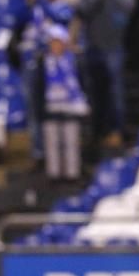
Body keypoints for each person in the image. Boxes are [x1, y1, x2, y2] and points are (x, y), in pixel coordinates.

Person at [7, 0, 73, 168]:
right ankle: (39, 152)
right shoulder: (31, 9)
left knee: (53, 110)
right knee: (33, 109)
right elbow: (17, 21)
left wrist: (41, 1)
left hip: (56, 66)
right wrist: (30, 2)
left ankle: (58, 155)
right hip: (32, 62)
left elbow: (61, 19)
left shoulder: (61, 7)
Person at [76, 0, 136, 148]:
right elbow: (82, 10)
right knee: (94, 93)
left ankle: (116, 130)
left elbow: (129, 6)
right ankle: (96, 131)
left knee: (115, 92)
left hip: (113, 48)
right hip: (92, 48)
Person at [42, 25, 88, 181]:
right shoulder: (42, 63)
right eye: (53, 42)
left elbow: (82, 83)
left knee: (71, 142)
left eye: (59, 41)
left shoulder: (74, 62)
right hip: (50, 109)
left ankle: (72, 174)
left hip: (71, 108)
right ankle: (54, 175)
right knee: (52, 143)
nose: (55, 45)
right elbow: (38, 87)